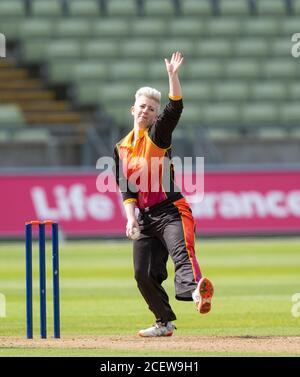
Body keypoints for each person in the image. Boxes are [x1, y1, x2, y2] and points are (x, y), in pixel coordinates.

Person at [113, 52, 214, 337]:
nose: (145, 111)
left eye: (151, 109)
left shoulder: (157, 136)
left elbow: (175, 109)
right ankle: (164, 322)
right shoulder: (121, 147)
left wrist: (173, 76)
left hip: (171, 211)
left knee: (182, 253)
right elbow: (127, 187)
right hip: (145, 218)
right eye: (142, 107)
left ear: (155, 116)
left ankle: (197, 293)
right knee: (142, 274)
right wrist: (130, 219)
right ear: (133, 109)